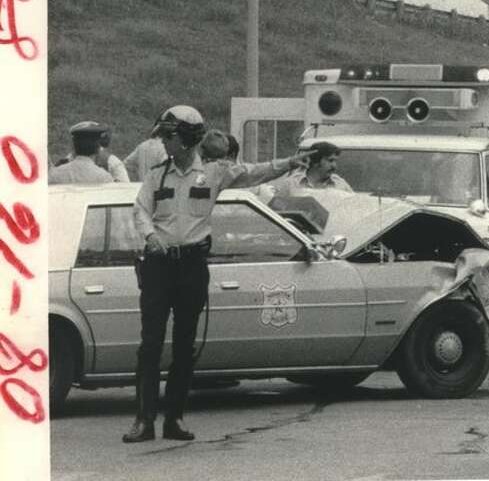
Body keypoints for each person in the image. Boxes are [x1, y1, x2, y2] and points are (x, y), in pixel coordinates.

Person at [122, 105, 313, 444]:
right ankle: (144, 420)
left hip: (192, 266)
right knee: (149, 345)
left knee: (184, 345)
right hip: (159, 266)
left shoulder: (213, 174)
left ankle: (174, 419)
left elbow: (254, 172)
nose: (165, 142)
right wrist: (150, 237)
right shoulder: (156, 175)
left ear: (186, 140)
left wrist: (289, 163)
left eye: (170, 136)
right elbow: (140, 209)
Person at [267, 141, 352, 199]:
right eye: (330, 161)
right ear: (315, 161)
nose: (334, 166)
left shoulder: (341, 185)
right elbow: (276, 214)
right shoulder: (291, 184)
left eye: (335, 161)